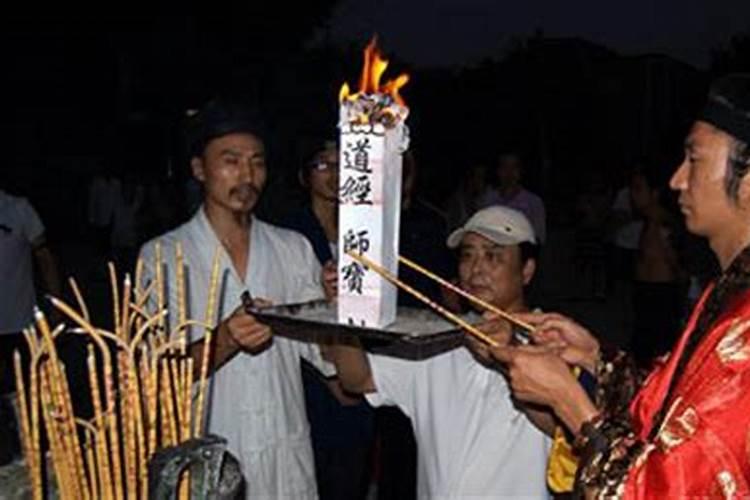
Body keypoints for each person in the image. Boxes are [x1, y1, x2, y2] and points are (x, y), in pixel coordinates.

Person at [491, 74, 750, 497]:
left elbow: (669, 488)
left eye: (695, 159)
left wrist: (571, 403)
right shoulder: (729, 291)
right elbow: (677, 411)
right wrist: (596, 359)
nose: (677, 180)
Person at [138, 99, 335, 499]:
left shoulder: (292, 248)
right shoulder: (162, 256)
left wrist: (339, 311)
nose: (247, 175)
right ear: (199, 169)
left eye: (257, 162)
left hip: (286, 464)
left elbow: (332, 366)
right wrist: (225, 339)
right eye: (231, 160)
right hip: (209, 469)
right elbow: (155, 379)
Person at [325, 206, 551, 499]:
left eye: (493, 255)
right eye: (468, 255)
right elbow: (357, 379)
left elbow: (567, 429)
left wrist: (509, 357)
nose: (476, 269)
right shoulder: (438, 341)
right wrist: (346, 310)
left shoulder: (552, 344)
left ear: (527, 270)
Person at [281, 139, 375, 500]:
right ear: (304, 176)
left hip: (362, 356)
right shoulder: (290, 234)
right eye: (323, 164)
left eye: (341, 164)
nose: (335, 174)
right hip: (314, 373)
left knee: (355, 468)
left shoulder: (364, 227)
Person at [0, 187, 62, 464]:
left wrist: (57, 303)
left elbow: (44, 256)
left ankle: (36, 462)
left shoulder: (18, 208)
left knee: (29, 398)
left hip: (20, 323)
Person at [477, 151, 546, 243]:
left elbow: (538, 237)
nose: (509, 172)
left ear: (521, 171)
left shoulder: (533, 202)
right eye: (505, 167)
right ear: (498, 171)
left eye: (514, 167)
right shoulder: (487, 200)